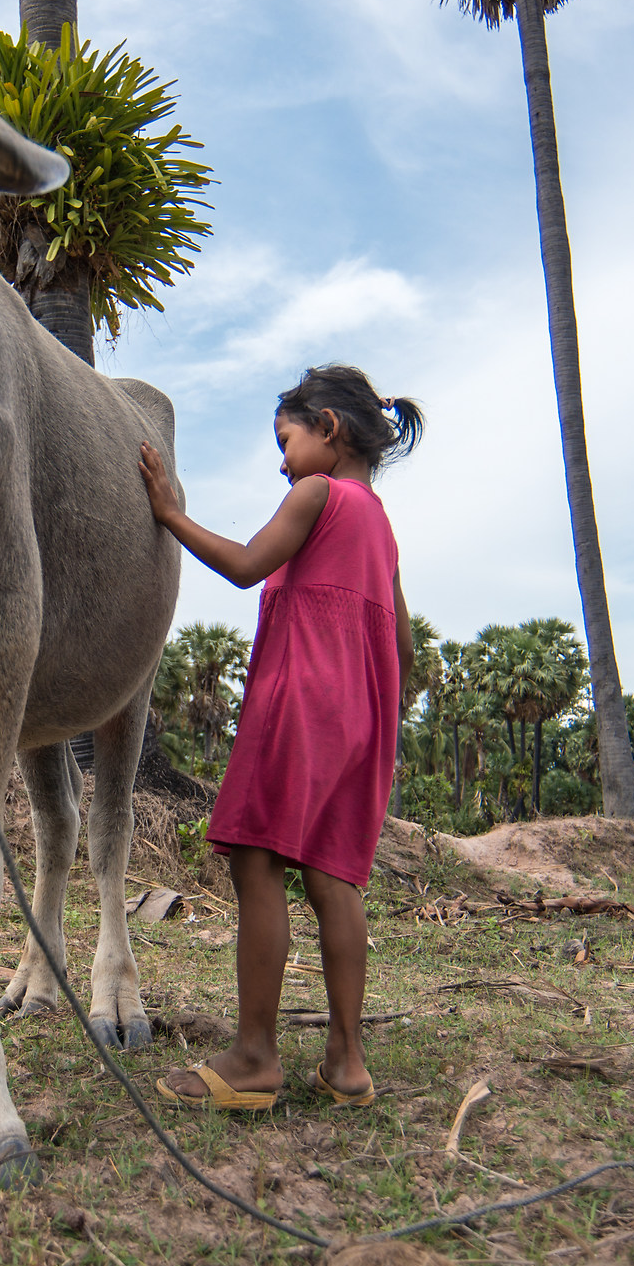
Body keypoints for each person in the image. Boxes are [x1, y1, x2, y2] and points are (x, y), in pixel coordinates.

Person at [136, 364, 421, 1110]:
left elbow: (243, 566)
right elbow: (406, 643)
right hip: (363, 712)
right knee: (334, 874)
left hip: (301, 699)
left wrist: (170, 513)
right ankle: (347, 1060)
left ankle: (256, 1056)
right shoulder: (381, 526)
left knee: (257, 860)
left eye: (285, 438)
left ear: (328, 427)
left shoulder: (316, 493)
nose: (282, 458)